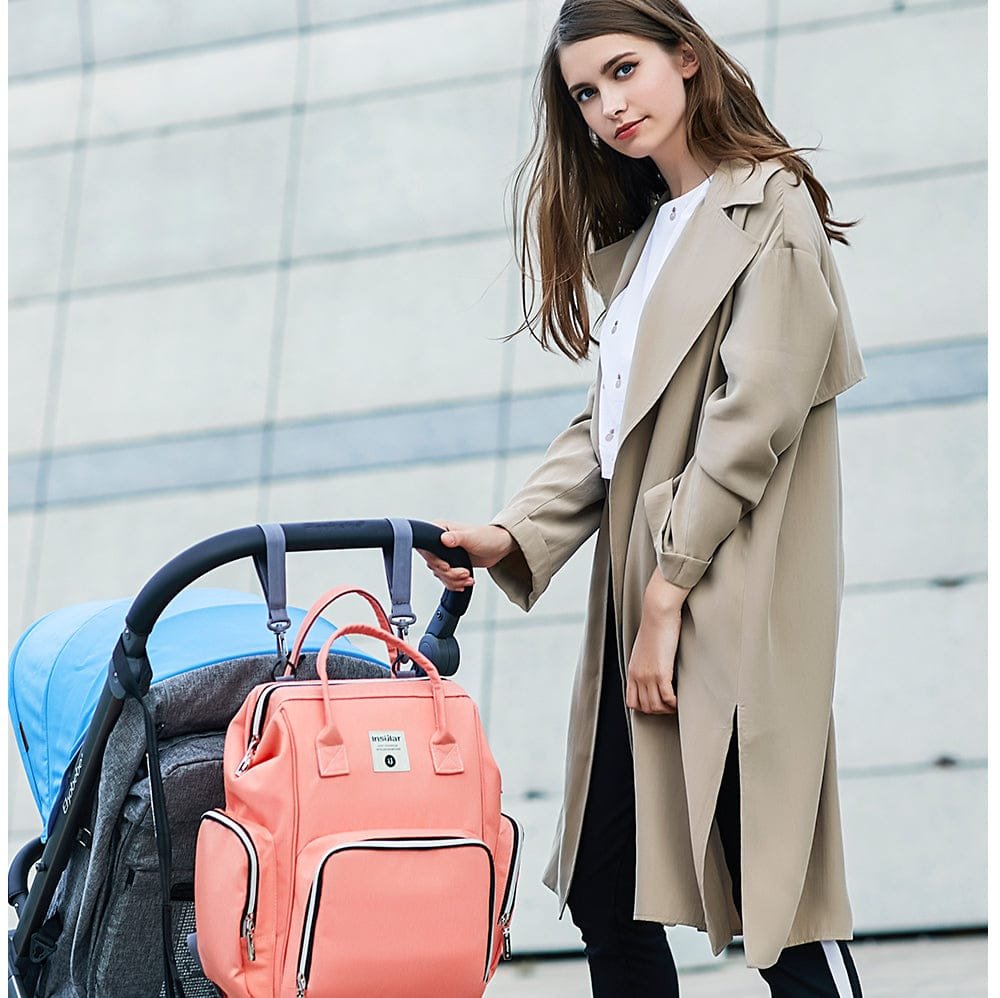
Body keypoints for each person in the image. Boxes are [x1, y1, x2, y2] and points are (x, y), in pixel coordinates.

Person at [419, 2, 867, 994]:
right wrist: (510, 532)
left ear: (688, 59)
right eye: (586, 91)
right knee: (603, 882)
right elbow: (606, 429)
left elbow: (752, 418)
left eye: (623, 71)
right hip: (640, 606)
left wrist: (668, 592)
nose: (608, 105)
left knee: (777, 894)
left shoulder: (768, 208)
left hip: (725, 592)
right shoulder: (649, 237)